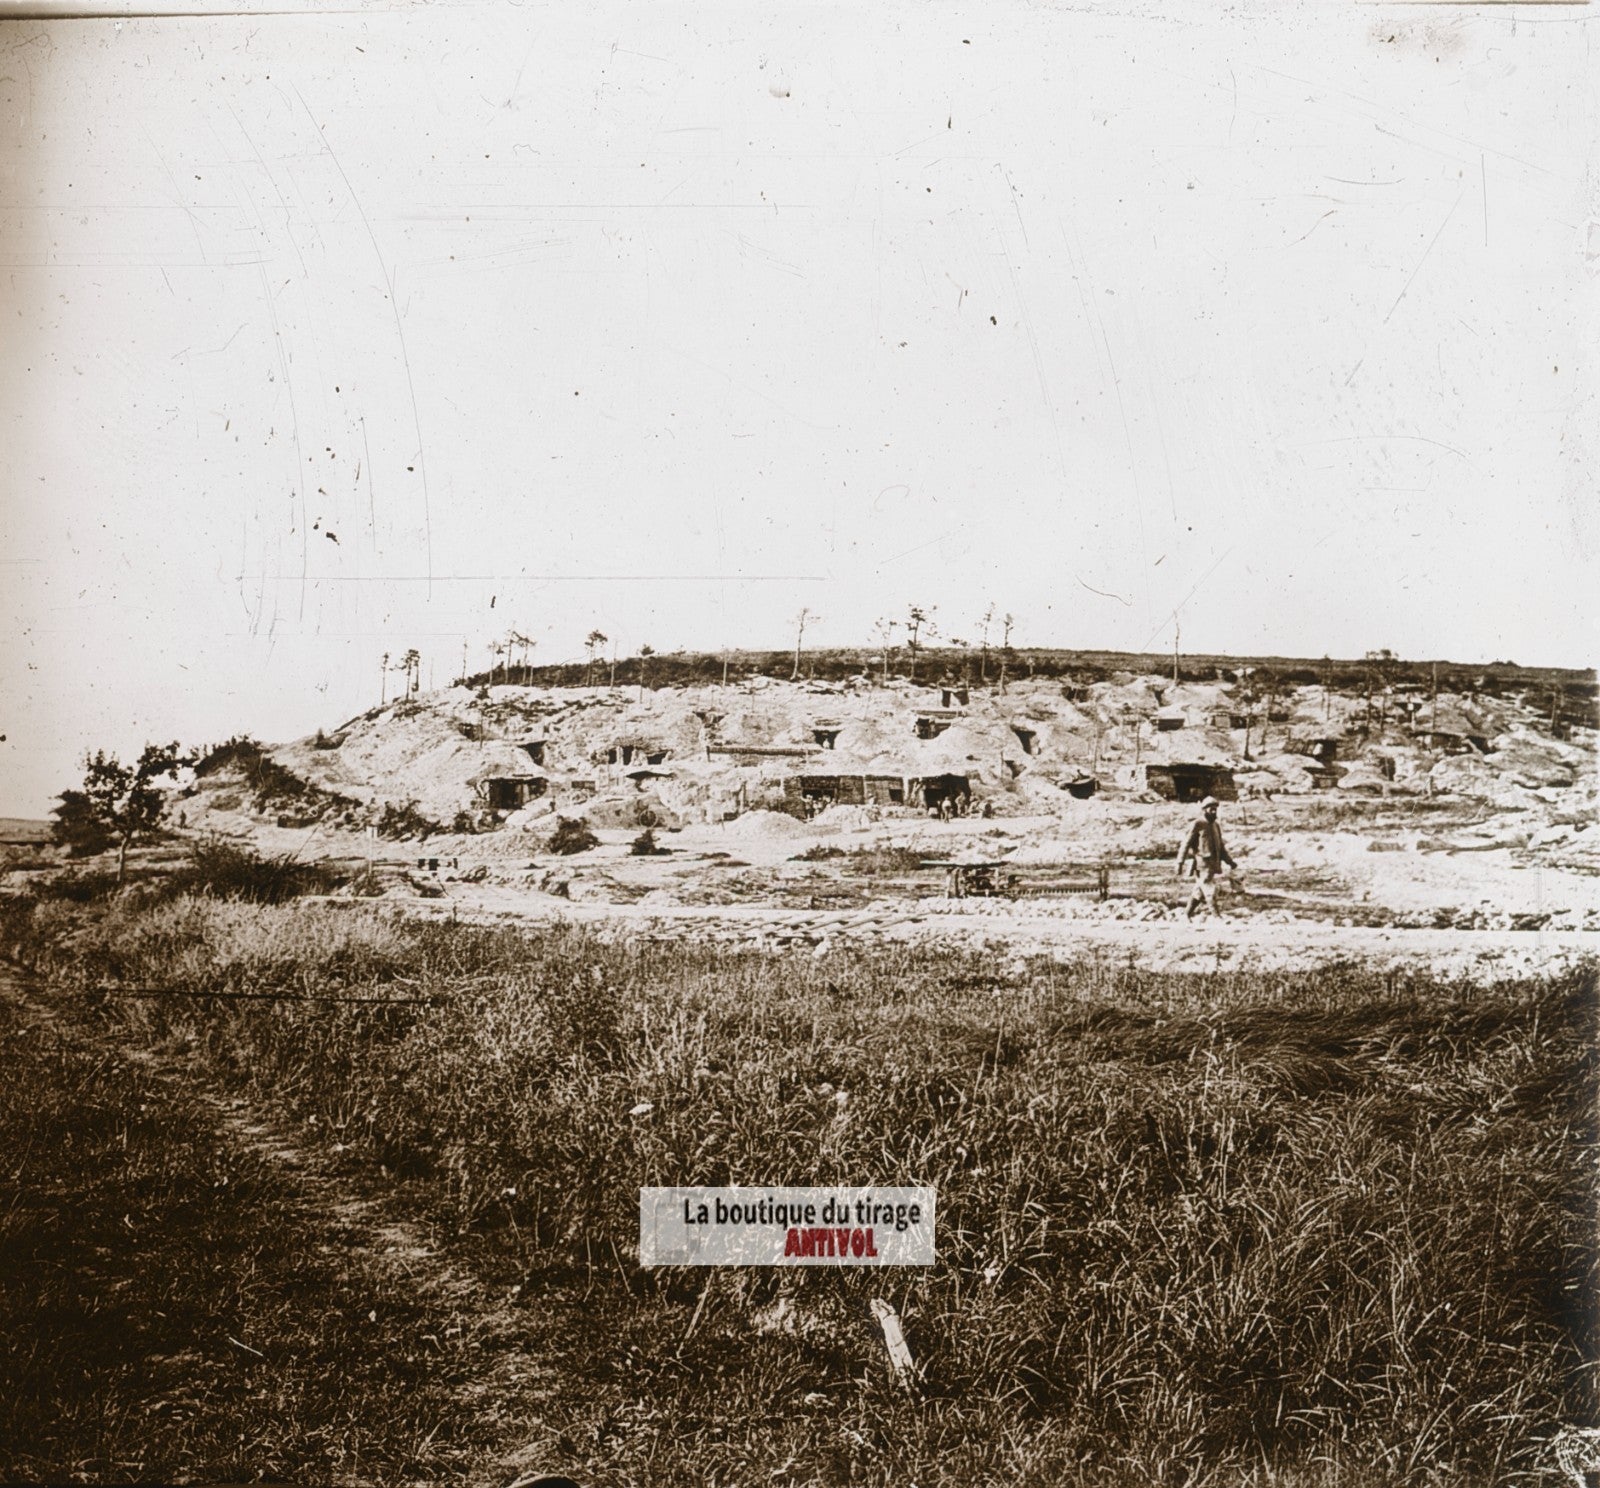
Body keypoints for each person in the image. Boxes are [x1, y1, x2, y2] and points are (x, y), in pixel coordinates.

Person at [1177, 795, 1237, 920]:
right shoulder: (1198, 824)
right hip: (1201, 863)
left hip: (1213, 864)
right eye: (1211, 809)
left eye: (1215, 809)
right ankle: (1216, 916)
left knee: (1199, 891)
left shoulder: (1216, 826)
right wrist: (1179, 862)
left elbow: (1221, 847)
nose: (1214, 812)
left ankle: (1186, 914)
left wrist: (1230, 862)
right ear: (1205, 810)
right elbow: (1186, 843)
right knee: (1209, 889)